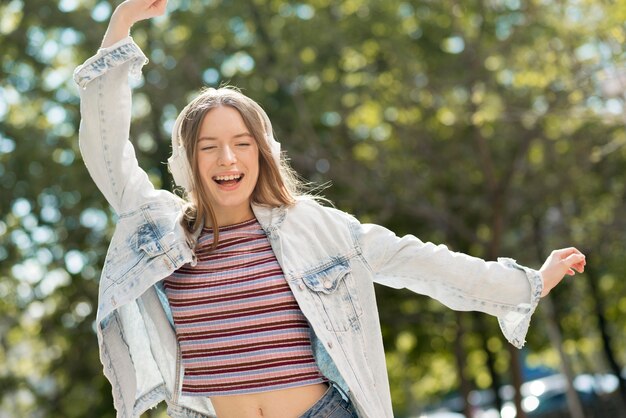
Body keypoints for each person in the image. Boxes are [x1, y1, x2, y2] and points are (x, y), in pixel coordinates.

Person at [73, 1, 586, 417]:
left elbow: (420, 260)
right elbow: (106, 149)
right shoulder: (161, 235)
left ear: (263, 154)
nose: (227, 159)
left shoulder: (311, 227)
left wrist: (528, 284)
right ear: (188, 160)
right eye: (208, 146)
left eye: (242, 144)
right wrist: (121, 25)